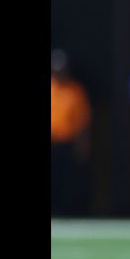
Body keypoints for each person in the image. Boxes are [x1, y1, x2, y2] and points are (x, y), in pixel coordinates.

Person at [50, 49, 91, 215]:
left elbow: (82, 121)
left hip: (67, 143)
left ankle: (65, 212)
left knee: (67, 181)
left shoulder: (75, 90)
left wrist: (83, 145)